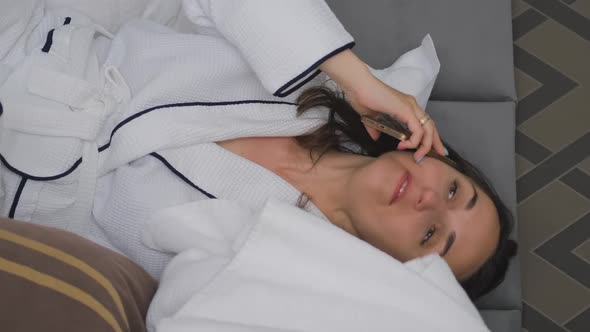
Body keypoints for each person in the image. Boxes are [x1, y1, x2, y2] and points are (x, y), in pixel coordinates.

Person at [0, 0, 516, 301]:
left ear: (396, 266)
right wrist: (357, 79)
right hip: (22, 43)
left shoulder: (275, 267)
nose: (430, 201)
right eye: (453, 189)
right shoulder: (319, 86)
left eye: (431, 235)